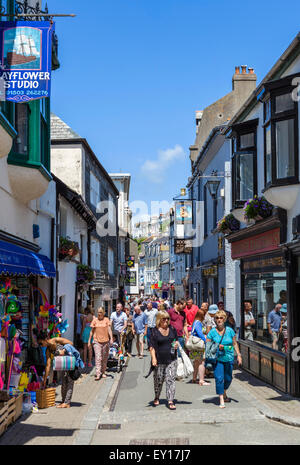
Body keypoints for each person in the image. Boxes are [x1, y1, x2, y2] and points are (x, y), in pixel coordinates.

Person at [206, 310, 242, 408]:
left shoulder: (230, 330)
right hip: (217, 359)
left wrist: (238, 355)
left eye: (221, 318)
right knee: (219, 378)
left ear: (224, 319)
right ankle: (221, 398)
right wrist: (217, 346)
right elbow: (208, 346)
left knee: (228, 378)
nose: (219, 320)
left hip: (229, 357)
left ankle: (224, 391)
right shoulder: (212, 332)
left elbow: (234, 343)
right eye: (217, 318)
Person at [37, 332, 76, 408]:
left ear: (45, 340)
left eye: (41, 343)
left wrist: (64, 350)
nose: (41, 346)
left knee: (70, 381)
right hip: (62, 365)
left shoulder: (56, 340)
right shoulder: (48, 350)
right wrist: (45, 380)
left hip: (69, 361)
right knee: (64, 383)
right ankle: (63, 401)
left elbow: (71, 343)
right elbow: (48, 366)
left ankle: (67, 403)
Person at [149, 311, 179, 410]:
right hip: (159, 360)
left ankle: (170, 400)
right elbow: (152, 346)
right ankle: (157, 396)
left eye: (168, 319)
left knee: (171, 379)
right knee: (159, 380)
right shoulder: (155, 331)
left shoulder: (172, 329)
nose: (166, 320)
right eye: (164, 319)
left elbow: (176, 340)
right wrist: (153, 358)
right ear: (159, 320)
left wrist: (176, 344)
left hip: (171, 359)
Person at [88, 307, 113, 381]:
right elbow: (91, 331)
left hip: (105, 342)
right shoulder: (95, 320)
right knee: (98, 357)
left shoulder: (106, 320)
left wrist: (111, 338)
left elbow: (109, 330)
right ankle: (98, 373)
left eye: (101, 312)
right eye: (98, 312)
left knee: (104, 358)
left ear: (104, 313)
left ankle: (103, 371)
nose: (99, 314)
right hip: (97, 341)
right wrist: (89, 341)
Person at [189, 310, 210, 386]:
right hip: (199, 345)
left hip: (196, 345)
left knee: (196, 361)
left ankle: (194, 378)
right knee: (202, 361)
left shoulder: (195, 322)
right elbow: (200, 333)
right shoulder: (198, 323)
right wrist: (206, 340)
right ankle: (201, 380)